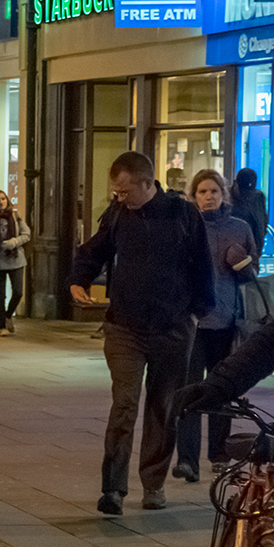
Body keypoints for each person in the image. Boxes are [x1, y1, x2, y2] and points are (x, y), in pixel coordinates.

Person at [70, 151, 214, 516]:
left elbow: (204, 267)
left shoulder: (183, 214)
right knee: (124, 404)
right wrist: (78, 279)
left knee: (163, 407)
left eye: (124, 190)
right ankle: (113, 489)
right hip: (125, 327)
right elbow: (92, 251)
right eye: (115, 191)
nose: (118, 196)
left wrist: (197, 313)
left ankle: (153, 483)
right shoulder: (118, 215)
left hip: (173, 328)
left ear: (148, 183)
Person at [173, 170, 255, 483]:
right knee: (191, 391)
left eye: (214, 191)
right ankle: (187, 460)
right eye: (203, 191)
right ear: (194, 196)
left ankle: (219, 453)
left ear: (223, 194)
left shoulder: (240, 228)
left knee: (222, 389)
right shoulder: (185, 227)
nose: (209, 197)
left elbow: (252, 272)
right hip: (192, 322)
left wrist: (242, 263)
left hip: (226, 321)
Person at [0, 191, 30, 336]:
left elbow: (26, 234)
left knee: (18, 292)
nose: (1, 202)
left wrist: (15, 242)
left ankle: (8, 315)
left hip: (15, 258)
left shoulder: (14, 215)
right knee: (0, 294)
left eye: (3, 199)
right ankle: (2, 326)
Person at [231, 168, 269, 254]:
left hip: (254, 249)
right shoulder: (228, 197)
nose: (248, 195)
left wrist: (260, 238)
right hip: (232, 250)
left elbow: (263, 220)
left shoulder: (259, 196)